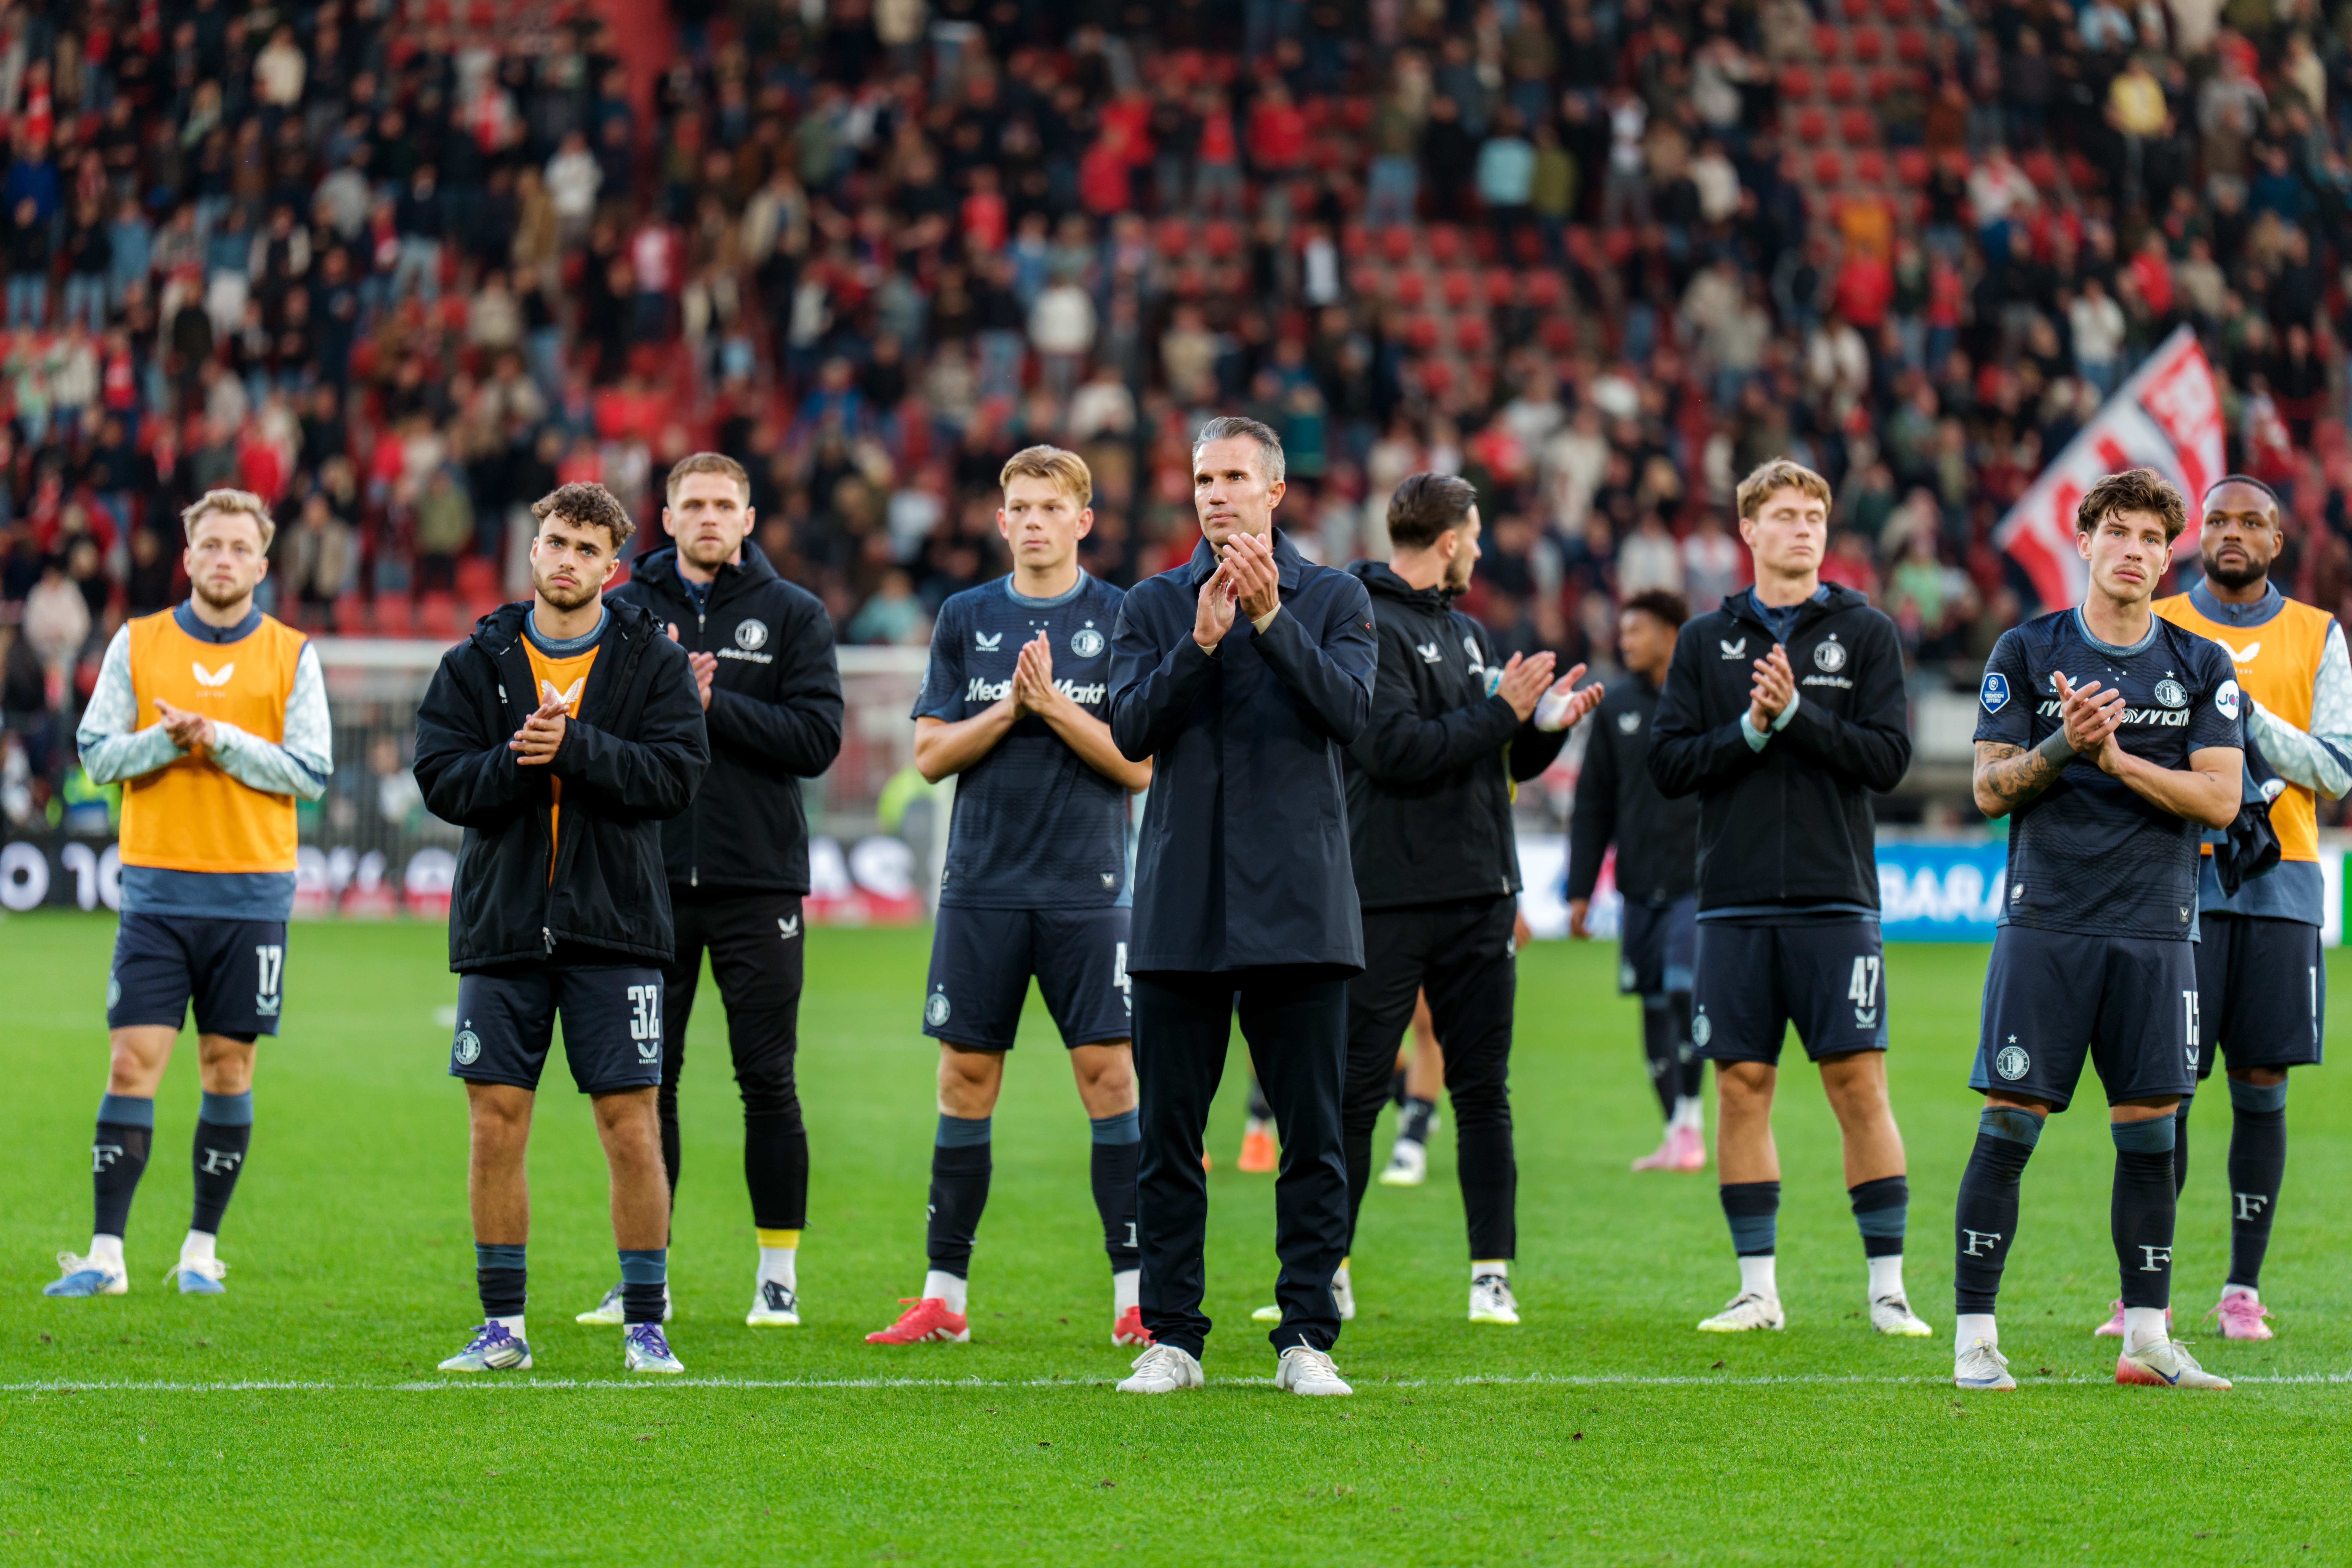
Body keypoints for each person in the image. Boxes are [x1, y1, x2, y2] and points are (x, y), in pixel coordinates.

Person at [1105, 415, 1376, 1397]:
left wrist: (1270, 622)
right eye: (1201, 478)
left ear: (1273, 492)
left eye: (1232, 478)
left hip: (1302, 910)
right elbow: (1131, 732)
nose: (1214, 494)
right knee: (1169, 1141)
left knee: (1313, 1138)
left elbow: (1354, 721)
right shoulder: (1152, 605)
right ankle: (1173, 1338)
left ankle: (1307, 1336)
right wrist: (1202, 645)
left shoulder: (1337, 598)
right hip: (1181, 908)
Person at [1956, 467, 2243, 1393]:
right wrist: (2060, 747)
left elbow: (2222, 798)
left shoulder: (2201, 665)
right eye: (2118, 533)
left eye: (2155, 540)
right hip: (2048, 921)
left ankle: (2149, 1339)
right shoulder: (2028, 650)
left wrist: (2114, 757)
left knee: (2153, 1129)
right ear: (2084, 542)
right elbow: (1990, 788)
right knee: (2010, 1123)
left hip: (2160, 930)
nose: (2136, 552)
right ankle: (1974, 1340)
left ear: (2171, 555)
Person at [412, 482, 709, 1374]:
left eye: (587, 549)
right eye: (555, 543)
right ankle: (504, 1326)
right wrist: (514, 760)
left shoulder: (650, 662)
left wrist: (574, 747)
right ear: (532, 553)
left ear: (613, 569)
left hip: (615, 929)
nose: (568, 560)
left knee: (629, 1123)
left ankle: (645, 1323)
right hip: (504, 928)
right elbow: (439, 777)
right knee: (496, 1123)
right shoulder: (478, 660)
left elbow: (678, 776)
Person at [863, 445, 1154, 1349]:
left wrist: (1057, 707)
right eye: (1018, 508)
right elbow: (930, 755)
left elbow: (1140, 766)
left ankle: (1135, 1301)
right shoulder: (966, 615)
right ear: (1001, 522)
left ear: (1082, 520)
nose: (1033, 522)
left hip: (1090, 888)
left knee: (1109, 1080)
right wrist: (1009, 711)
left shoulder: (1124, 617)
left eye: (1049, 508)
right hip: (982, 887)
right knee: (964, 1080)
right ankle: (943, 1296)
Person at [1649, 459, 1928, 1338]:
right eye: (1785, 515)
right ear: (1749, 531)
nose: (1804, 528)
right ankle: (1758, 1290)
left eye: (1815, 515)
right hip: (1731, 901)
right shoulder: (1704, 640)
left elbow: (1888, 759)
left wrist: (1796, 717)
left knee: (1858, 1084)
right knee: (1742, 1084)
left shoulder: (1867, 631)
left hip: (1835, 897)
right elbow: (1670, 765)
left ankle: (1889, 1289)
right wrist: (1749, 731)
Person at [44, 489, 332, 1298]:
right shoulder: (137, 644)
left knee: (226, 1068)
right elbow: (98, 755)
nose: (224, 560)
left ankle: (201, 1251)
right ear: (188, 554)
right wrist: (166, 744)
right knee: (132, 1061)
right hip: (157, 893)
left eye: (241, 548)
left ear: (263, 564)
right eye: (210, 545)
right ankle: (106, 1256)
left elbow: (311, 769)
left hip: (252, 894)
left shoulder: (290, 654)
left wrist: (221, 739)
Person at [1334, 471, 1599, 1326]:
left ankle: (1492, 1273)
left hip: (1482, 894)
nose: (1481, 550)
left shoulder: (1475, 634)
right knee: (1355, 1092)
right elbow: (1394, 751)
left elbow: (1497, 762)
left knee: (1484, 1092)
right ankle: (1323, 1265)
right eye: (1475, 536)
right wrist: (1504, 715)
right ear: (1448, 540)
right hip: (1388, 897)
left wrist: (1542, 730)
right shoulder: (1362, 624)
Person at [590, 452, 844, 1331]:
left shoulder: (794, 614)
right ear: (665, 516)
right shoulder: (623, 612)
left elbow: (816, 739)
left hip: (757, 881)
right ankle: (641, 1276)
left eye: (722, 504)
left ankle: (778, 1275)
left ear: (748, 517)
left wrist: (712, 705)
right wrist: (669, 700)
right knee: (645, 1084)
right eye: (691, 503)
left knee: (767, 1081)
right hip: (645, 881)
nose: (707, 516)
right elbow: (596, 730)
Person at [2145, 476, 2345, 1340]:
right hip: (2176, 886)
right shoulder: (2157, 623)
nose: (2233, 533)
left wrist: (2243, 714)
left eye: (2251, 521)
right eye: (2218, 519)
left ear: (2277, 538)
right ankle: (2142, 1289)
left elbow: (2337, 769)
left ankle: (2241, 1292)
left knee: (2261, 1083)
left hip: (2283, 885)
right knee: (2164, 1089)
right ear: (2199, 534)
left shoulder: (2319, 635)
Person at [1568, 589, 1707, 1172]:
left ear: (1672, 634)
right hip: (1637, 885)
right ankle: (1676, 1131)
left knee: (1683, 990)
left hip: (1695, 882)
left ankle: (1693, 1121)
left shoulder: (1706, 699)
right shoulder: (1617, 705)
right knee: (1651, 1004)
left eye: (1637, 632)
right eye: (1623, 633)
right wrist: (1579, 890)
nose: (1625, 642)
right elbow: (1593, 801)